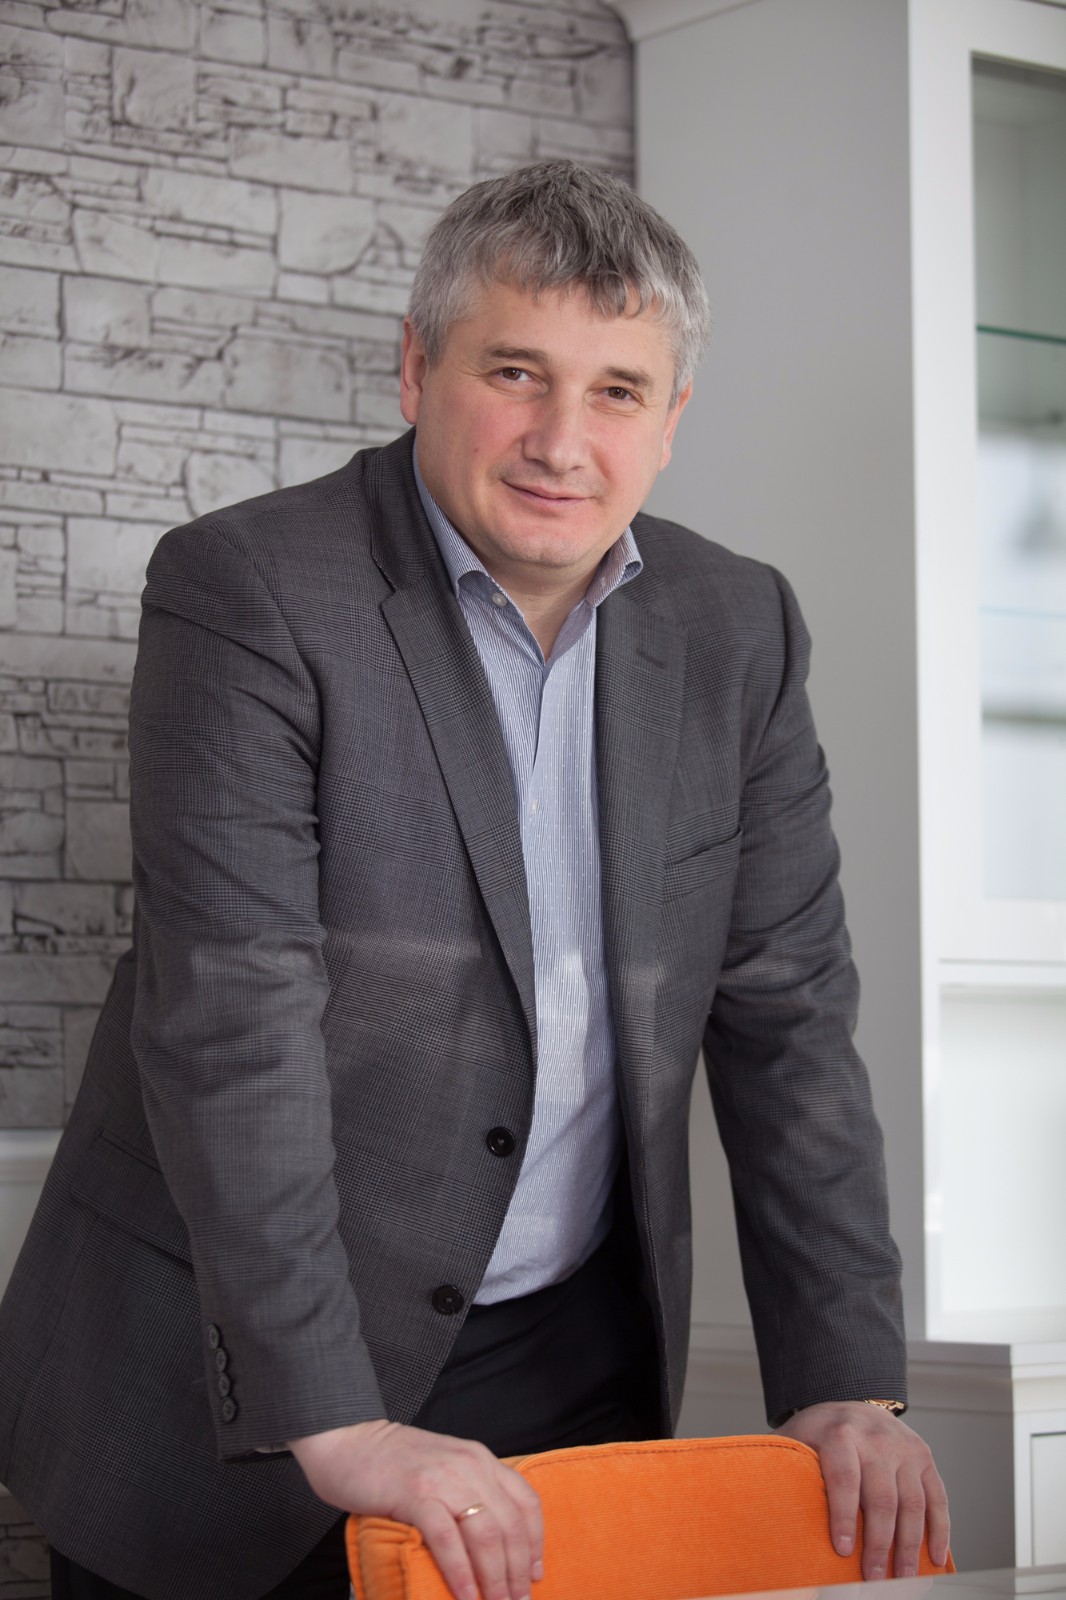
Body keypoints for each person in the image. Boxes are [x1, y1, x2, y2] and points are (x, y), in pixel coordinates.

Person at [0, 160, 948, 1600]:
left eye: (617, 390)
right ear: (416, 368)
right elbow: (231, 1020)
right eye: (516, 373)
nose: (562, 441)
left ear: (672, 419)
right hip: (232, 1377)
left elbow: (792, 1022)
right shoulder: (249, 588)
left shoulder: (738, 628)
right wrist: (336, 1419)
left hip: (563, 1368)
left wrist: (843, 1383)